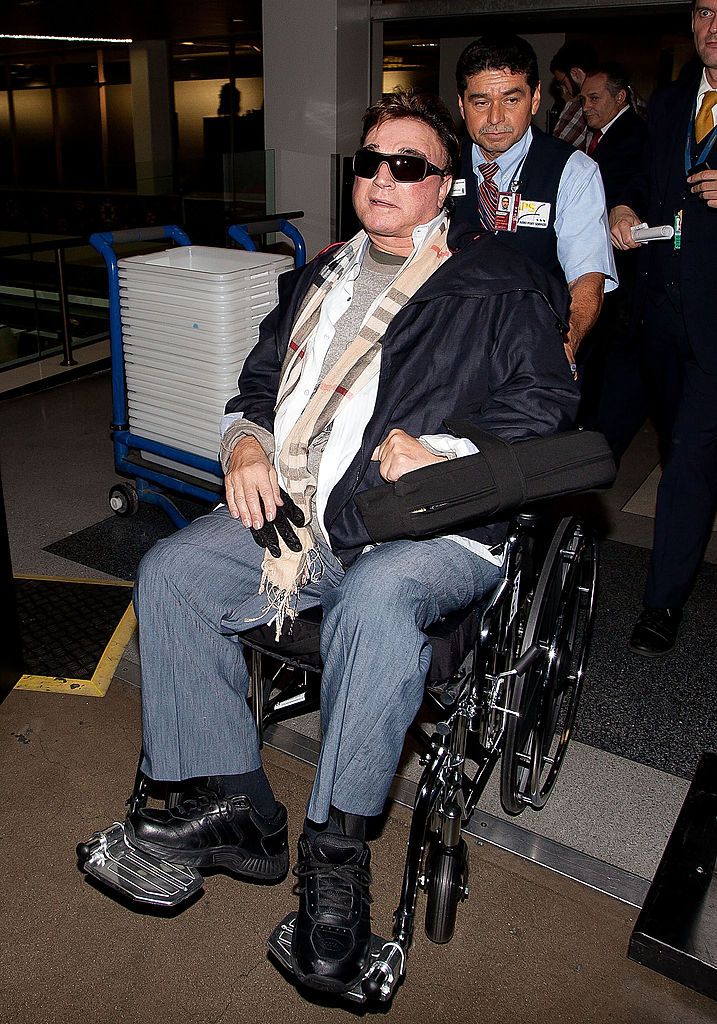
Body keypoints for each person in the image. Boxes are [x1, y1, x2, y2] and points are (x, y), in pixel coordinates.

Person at [126, 90, 578, 996]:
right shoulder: (319, 274)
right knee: (170, 571)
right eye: (368, 162)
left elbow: (547, 406)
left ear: (445, 187)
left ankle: (334, 862)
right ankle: (237, 809)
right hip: (308, 513)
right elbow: (256, 382)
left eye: (407, 165)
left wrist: (445, 450)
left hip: (428, 525)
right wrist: (246, 443)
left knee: (375, 601)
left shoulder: (502, 281)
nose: (381, 178)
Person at [610, 0, 717, 656]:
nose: (713, 27)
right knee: (678, 453)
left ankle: (661, 602)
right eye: (705, 11)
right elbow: (638, 175)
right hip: (660, 315)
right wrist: (622, 203)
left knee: (687, 462)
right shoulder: (674, 102)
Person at [449, 33, 617, 373]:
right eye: (481, 102)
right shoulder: (440, 166)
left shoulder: (572, 171)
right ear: (462, 104)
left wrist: (565, 344)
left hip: (531, 344)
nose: (495, 118)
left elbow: (588, 277)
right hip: (451, 342)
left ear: (535, 98)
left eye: (511, 100)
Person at [577, 63, 649, 456]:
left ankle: (598, 433)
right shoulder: (603, 138)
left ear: (620, 98)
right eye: (583, 98)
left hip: (622, 263)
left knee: (610, 351)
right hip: (605, 261)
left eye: (594, 98)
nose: (585, 107)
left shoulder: (631, 137)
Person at [550, 40, 598, 150]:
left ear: (575, 74)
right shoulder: (627, 93)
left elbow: (557, 151)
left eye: (563, 82)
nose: (565, 90)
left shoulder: (579, 104)